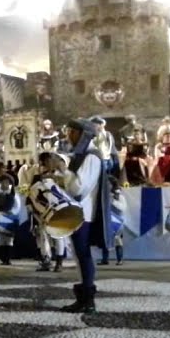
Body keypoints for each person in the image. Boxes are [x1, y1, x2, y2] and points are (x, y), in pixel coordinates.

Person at [56, 118, 106, 314]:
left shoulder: (91, 157)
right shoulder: (84, 156)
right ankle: (84, 296)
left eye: (72, 132)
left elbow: (78, 189)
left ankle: (88, 298)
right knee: (79, 254)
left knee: (83, 255)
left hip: (83, 213)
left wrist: (64, 171)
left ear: (83, 134)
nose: (69, 136)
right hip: (78, 212)